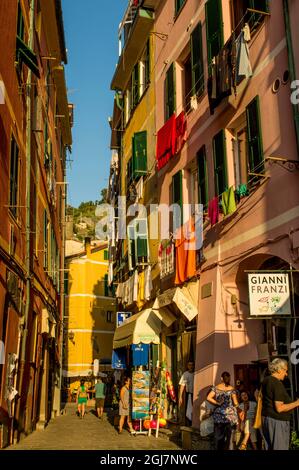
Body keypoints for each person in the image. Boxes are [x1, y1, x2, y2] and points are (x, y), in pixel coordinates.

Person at [261, 357, 299, 450]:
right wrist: (297, 403)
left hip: (267, 419)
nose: (286, 374)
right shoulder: (276, 383)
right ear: (279, 369)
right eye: (285, 370)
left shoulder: (266, 380)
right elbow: (280, 408)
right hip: (277, 422)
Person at [207, 371, 241, 450]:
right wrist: (239, 408)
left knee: (217, 436)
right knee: (228, 437)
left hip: (218, 415)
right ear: (229, 379)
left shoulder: (216, 388)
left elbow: (208, 397)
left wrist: (218, 403)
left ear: (221, 378)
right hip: (229, 415)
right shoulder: (231, 389)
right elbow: (235, 403)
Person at [178, 361, 194, 425]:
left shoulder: (196, 373)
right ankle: (188, 424)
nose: (191, 366)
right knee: (188, 409)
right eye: (189, 365)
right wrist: (180, 397)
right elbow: (182, 385)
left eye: (192, 365)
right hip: (189, 394)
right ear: (187, 366)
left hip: (195, 394)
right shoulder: (185, 374)